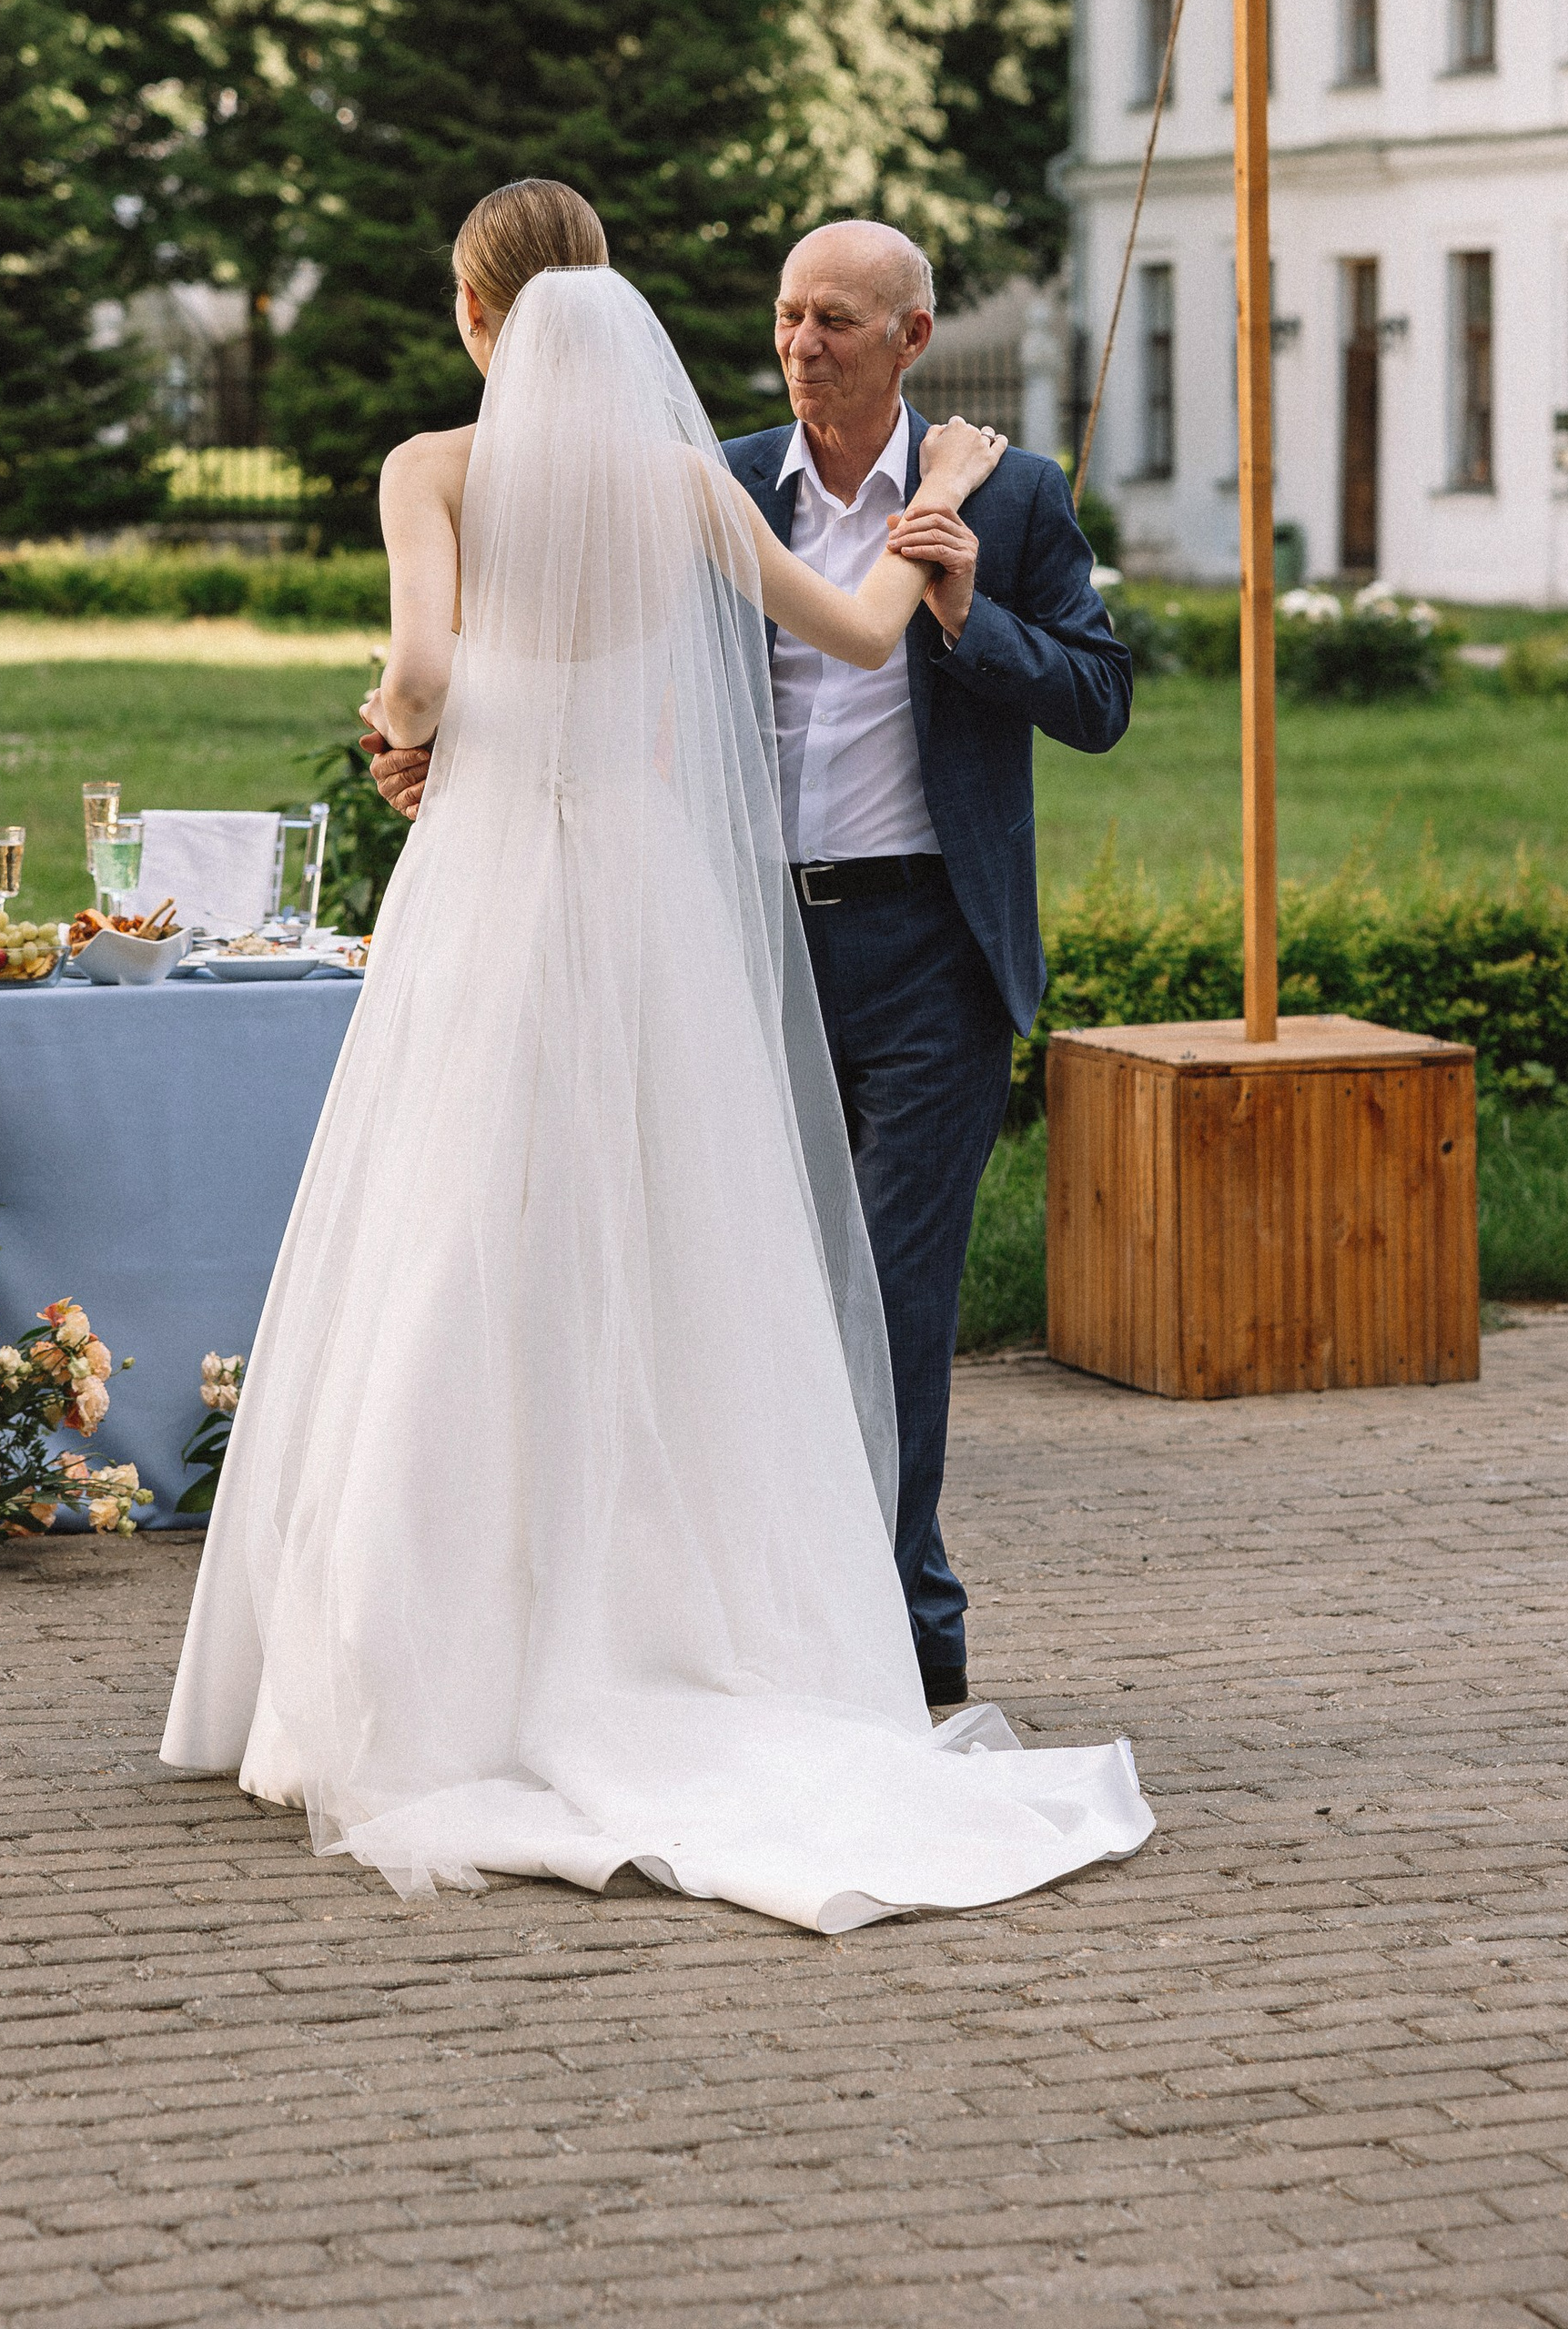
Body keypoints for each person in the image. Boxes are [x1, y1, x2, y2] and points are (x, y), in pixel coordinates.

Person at [164, 178, 1150, 1931]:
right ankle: (687, 1629)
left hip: (513, 893)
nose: (798, 341)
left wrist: (412, 722)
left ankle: (431, 1644)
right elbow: (859, 628)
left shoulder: (435, 469)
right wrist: (922, 515)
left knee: (461, 1235)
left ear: (478, 314)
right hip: (651, 896)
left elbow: (418, 673)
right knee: (678, 1262)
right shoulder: (693, 477)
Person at [369, 217, 1133, 1708]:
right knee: (748, 1289)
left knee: (895, 1304)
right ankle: (767, 1619)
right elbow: (596, 665)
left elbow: (1099, 697)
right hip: (739, 937)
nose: (801, 343)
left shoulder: (1015, 496)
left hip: (932, 946)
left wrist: (965, 600)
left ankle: (902, 1631)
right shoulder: (698, 476)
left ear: (911, 338)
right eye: (788, 315)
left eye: (835, 319)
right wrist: (451, 754)